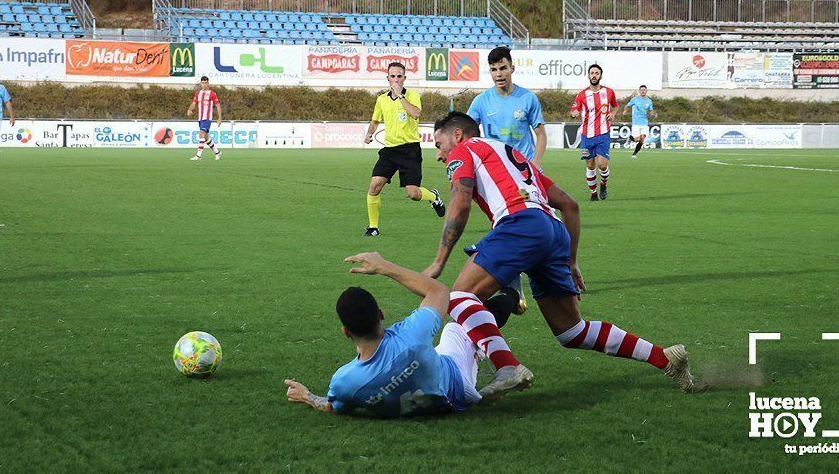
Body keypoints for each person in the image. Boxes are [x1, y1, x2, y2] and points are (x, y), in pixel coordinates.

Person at [422, 111, 699, 395]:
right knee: (571, 331)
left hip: (521, 223)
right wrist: (571, 261)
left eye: (439, 145)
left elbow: (460, 201)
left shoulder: (464, 149)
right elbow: (569, 204)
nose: (439, 156)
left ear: (456, 135)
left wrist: (438, 262)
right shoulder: (513, 155)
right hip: (552, 230)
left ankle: (506, 366)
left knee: (458, 297)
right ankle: (665, 357)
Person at [283, 251, 520, 417]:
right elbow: (439, 291)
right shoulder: (411, 334)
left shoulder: (345, 381)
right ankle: (512, 295)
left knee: (439, 346)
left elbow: (331, 406)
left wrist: (306, 395)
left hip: (430, 403)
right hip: (459, 389)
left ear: (345, 332)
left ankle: (511, 298)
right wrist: (384, 266)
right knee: (459, 321)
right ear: (381, 314)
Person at [464, 46, 547, 314]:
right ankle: (517, 283)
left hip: (523, 175)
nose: (499, 74)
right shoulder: (480, 102)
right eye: (494, 69)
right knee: (506, 224)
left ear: (512, 67)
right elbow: (467, 135)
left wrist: (536, 161)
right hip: (493, 177)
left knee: (527, 221)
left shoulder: (528, 99)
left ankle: (522, 281)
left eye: (503, 68)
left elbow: (541, 133)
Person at [363, 62, 445, 237]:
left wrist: (401, 96)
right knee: (375, 186)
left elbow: (415, 114)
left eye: (399, 76)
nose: (396, 79)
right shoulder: (382, 99)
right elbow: (376, 120)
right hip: (389, 150)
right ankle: (373, 227)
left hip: (410, 150)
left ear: (404, 78)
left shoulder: (412, 95)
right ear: (387, 78)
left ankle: (433, 196)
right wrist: (369, 134)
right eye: (392, 76)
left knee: (413, 193)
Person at [569, 64, 616, 201]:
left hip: (603, 134)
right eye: (592, 73)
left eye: (596, 73)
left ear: (600, 76)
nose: (594, 75)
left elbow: (616, 106)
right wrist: (574, 113)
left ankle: (603, 185)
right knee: (590, 165)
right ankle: (594, 194)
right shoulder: (582, 95)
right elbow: (573, 111)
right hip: (586, 136)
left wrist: (613, 113)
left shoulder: (609, 92)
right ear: (588, 75)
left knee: (602, 164)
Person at [186, 76, 222, 161]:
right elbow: (194, 103)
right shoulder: (198, 93)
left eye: (206, 83)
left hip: (207, 118)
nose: (204, 85)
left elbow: (218, 105)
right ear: (201, 83)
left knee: (201, 134)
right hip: (200, 118)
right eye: (203, 83)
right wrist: (189, 109)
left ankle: (198, 156)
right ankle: (217, 152)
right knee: (206, 137)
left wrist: (219, 118)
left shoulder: (212, 93)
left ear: (208, 83)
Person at [620, 85, 658, 159]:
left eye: (644, 90)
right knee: (637, 139)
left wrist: (654, 113)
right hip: (636, 122)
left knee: (642, 138)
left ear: (646, 91)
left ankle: (634, 154)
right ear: (639, 91)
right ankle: (630, 138)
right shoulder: (635, 99)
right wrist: (625, 110)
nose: (643, 91)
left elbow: (650, 111)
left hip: (644, 122)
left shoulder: (649, 101)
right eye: (641, 90)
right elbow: (627, 105)